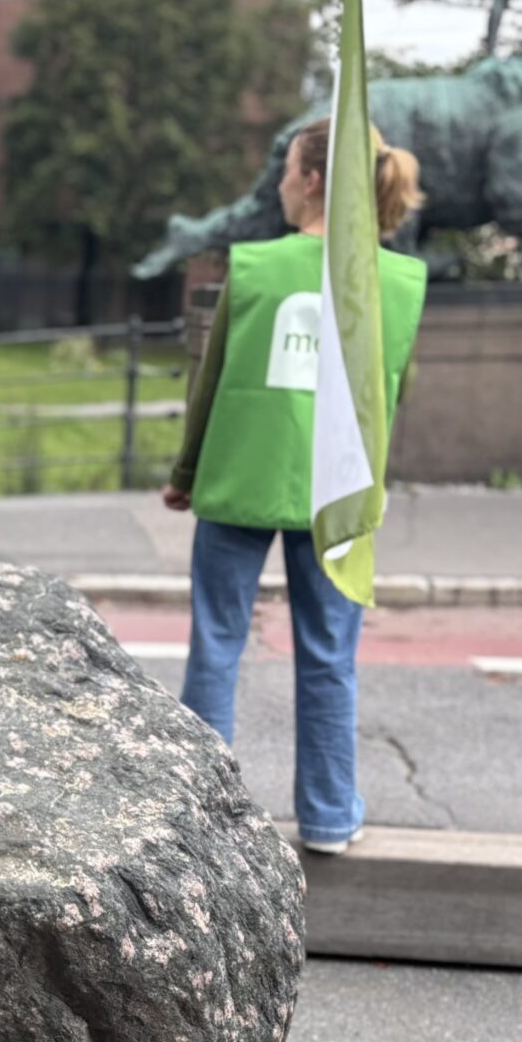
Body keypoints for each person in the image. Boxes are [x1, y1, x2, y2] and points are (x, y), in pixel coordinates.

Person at [162, 120, 428, 855]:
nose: (279, 182)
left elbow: (212, 383)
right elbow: (391, 393)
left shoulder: (254, 266)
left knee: (218, 642)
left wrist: (185, 475)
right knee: (330, 654)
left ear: (311, 180)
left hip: (243, 473)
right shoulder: (398, 281)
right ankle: (329, 814)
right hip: (339, 486)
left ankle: (200, 818)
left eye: (285, 169)